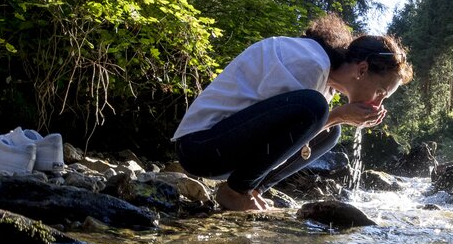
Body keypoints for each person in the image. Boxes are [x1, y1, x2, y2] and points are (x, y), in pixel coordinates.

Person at [172, 13, 413, 211]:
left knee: (330, 132)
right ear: (362, 69)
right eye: (381, 92)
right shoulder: (309, 62)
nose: (379, 103)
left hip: (226, 150)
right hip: (199, 147)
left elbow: (281, 139)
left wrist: (335, 119)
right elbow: (271, 133)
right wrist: (336, 115)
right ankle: (236, 191)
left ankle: (252, 188)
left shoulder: (325, 81)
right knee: (317, 109)